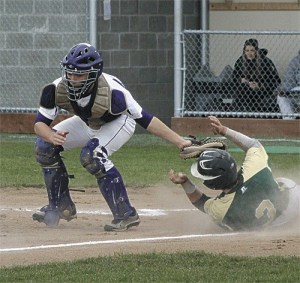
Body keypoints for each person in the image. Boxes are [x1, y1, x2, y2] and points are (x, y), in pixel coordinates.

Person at [32, 42, 192, 232]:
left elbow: (146, 120)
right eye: (70, 73)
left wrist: (181, 142)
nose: (73, 79)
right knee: (44, 146)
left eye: (79, 74)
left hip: (118, 123)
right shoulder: (55, 89)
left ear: (94, 74)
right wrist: (51, 136)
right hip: (86, 121)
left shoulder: (115, 93)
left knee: (92, 156)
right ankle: (61, 206)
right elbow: (39, 124)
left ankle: (125, 214)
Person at [169, 116, 299, 231]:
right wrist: (224, 130)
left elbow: (202, 203)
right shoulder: (255, 166)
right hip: (293, 204)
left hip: (273, 226)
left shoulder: (221, 210)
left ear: (213, 183)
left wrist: (185, 183)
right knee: (280, 180)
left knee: (232, 225)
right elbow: (253, 144)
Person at [232, 38, 281, 112]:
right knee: (242, 89)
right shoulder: (240, 62)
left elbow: (276, 81)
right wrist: (241, 80)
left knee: (247, 93)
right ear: (244, 51)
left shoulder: (265, 62)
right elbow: (234, 77)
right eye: (247, 51)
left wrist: (260, 85)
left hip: (262, 91)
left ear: (256, 51)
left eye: (252, 50)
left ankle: (250, 113)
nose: (249, 53)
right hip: (245, 88)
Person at [276, 49, 300, 120]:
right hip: (297, 92)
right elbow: (289, 79)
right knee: (281, 97)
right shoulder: (296, 61)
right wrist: (284, 90)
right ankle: (289, 122)